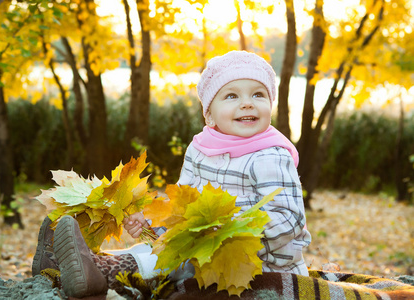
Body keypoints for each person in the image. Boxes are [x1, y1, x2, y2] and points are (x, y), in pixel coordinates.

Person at [33, 50, 311, 298]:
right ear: (209, 115)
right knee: (162, 251)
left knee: (175, 261)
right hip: (200, 248)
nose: (248, 103)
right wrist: (152, 226)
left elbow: (289, 219)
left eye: (258, 94)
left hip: (261, 262)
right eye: (232, 95)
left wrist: (226, 233)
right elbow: (180, 208)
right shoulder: (200, 148)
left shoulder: (270, 156)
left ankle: (100, 272)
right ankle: (72, 266)